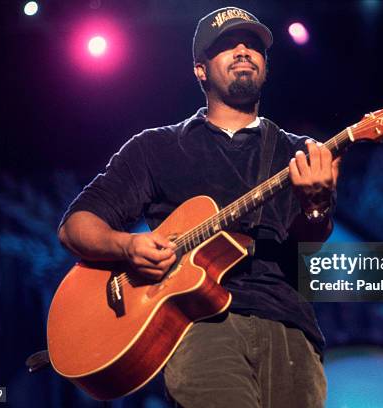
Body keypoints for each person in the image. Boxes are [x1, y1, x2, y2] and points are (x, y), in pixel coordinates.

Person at [58, 6, 340, 407]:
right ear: (200, 69)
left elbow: (309, 241)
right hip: (198, 326)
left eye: (254, 45)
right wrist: (127, 247)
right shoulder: (155, 147)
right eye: (228, 45)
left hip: (289, 324)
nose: (244, 50)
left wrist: (317, 204)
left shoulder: (299, 153)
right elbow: (76, 227)